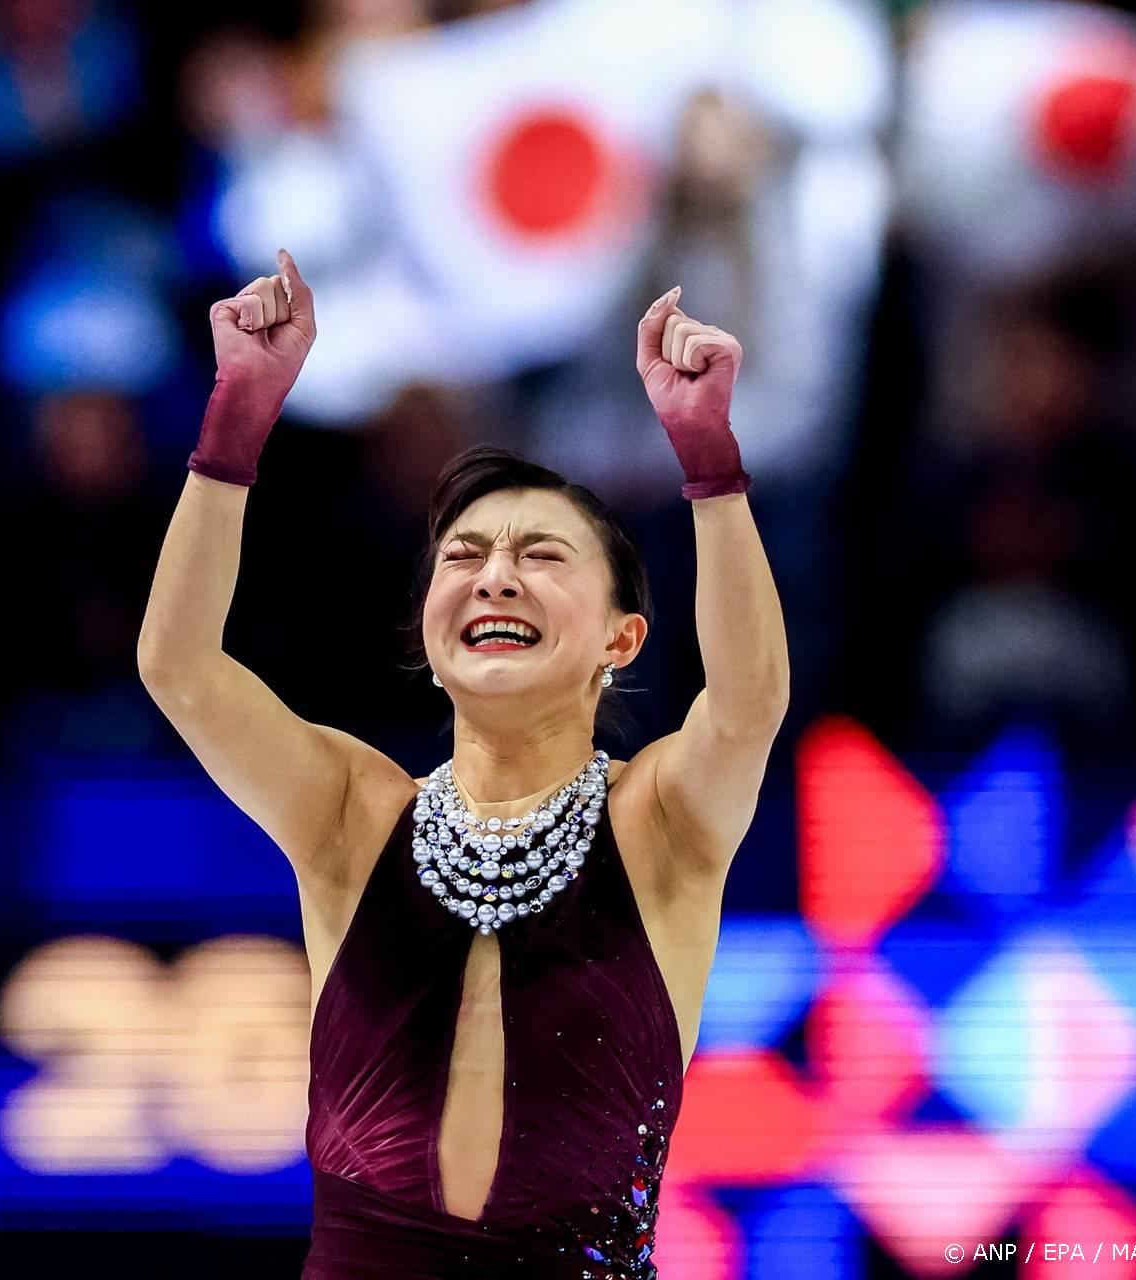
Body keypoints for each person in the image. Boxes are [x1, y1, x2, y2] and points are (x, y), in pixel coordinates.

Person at [138, 250, 789, 1277]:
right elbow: (176, 664)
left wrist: (709, 457)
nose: (495, 577)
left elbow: (750, 703)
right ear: (429, 628)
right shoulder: (351, 814)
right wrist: (239, 413)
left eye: (541, 555)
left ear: (621, 639)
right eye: (464, 555)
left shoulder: (658, 821)